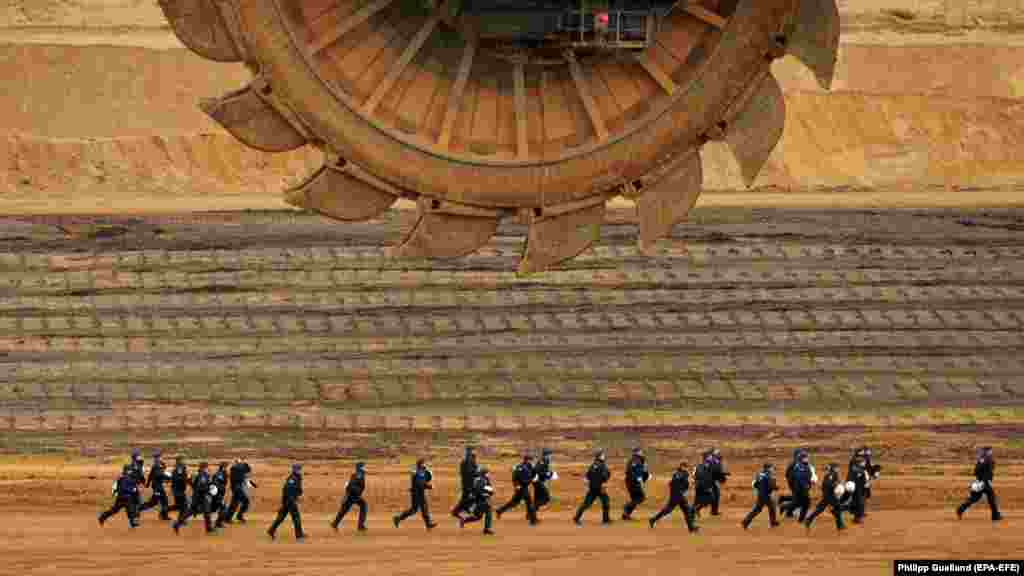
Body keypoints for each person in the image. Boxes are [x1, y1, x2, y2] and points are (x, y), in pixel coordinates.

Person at [648, 461, 698, 533]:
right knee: (669, 510)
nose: (687, 468)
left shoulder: (678, 473)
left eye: (687, 467)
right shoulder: (682, 474)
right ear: (682, 467)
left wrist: (683, 488)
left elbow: (671, 483)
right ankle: (653, 519)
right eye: (686, 467)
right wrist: (682, 489)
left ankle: (691, 528)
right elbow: (676, 483)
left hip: (677, 495)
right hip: (678, 496)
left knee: (685, 511)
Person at [957, 447, 1002, 521]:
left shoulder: (980, 460)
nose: (991, 452)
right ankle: (995, 515)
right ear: (987, 452)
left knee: (974, 498)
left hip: (978, 481)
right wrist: (987, 481)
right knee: (991, 498)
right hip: (985, 482)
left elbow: (975, 471)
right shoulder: (989, 460)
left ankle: (961, 508)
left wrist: (979, 479)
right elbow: (990, 472)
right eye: (990, 451)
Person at [394, 459, 438, 530]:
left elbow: (426, 480)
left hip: (420, 492)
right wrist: (428, 486)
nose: (424, 466)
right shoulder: (415, 473)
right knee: (415, 509)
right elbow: (419, 483)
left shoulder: (425, 472)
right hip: (416, 493)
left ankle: (428, 524)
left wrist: (427, 484)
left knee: (422, 508)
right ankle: (398, 518)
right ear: (419, 465)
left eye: (424, 464)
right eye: (422, 464)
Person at [173, 461, 215, 534]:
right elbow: (201, 486)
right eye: (207, 467)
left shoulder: (197, 474)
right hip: (202, 496)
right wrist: (209, 489)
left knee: (191, 512)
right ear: (205, 467)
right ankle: (209, 529)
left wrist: (195, 488)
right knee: (207, 512)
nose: (208, 468)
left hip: (196, 496)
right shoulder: (203, 475)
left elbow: (190, 482)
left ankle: (177, 524)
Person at [496, 454, 537, 525]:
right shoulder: (520, 467)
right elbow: (515, 477)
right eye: (531, 460)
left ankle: (500, 510)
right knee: (528, 501)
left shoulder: (529, 466)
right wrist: (516, 485)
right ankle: (531, 517)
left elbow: (533, 472)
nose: (532, 462)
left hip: (524, 486)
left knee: (515, 502)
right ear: (527, 460)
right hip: (521, 487)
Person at [268, 463, 305, 541]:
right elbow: (288, 490)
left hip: (288, 501)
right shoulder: (292, 479)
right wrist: (292, 501)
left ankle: (271, 530)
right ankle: (299, 536)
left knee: (281, 517)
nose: (300, 470)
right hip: (290, 501)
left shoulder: (297, 477)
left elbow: (297, 489)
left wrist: (298, 494)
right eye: (299, 469)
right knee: (296, 518)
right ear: (295, 470)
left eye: (300, 469)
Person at [574, 451, 612, 525]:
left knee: (587, 503)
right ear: (599, 456)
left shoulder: (593, 464)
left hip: (593, 487)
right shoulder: (602, 465)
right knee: (606, 502)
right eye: (603, 455)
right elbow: (604, 476)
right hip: (599, 487)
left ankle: (577, 517)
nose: (604, 456)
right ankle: (605, 520)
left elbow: (588, 475)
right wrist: (605, 481)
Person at [804, 463, 845, 532]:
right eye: (837, 467)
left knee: (821, 509)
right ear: (833, 468)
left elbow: (826, 485)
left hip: (829, 495)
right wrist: (836, 484)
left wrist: (838, 484)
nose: (838, 469)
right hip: (829, 496)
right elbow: (828, 484)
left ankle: (808, 520)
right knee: (836, 509)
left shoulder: (833, 474)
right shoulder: (831, 475)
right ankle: (840, 525)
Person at [741, 463, 780, 530]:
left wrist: (760, 488)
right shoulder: (768, 475)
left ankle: (745, 521)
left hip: (761, 494)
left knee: (758, 509)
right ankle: (772, 522)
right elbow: (771, 485)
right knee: (771, 507)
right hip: (765, 495)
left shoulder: (760, 474)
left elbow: (754, 484)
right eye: (771, 468)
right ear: (767, 468)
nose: (773, 469)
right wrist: (776, 487)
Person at [331, 462, 368, 532]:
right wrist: (355, 492)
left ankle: (335, 523)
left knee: (345, 509)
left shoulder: (358, 474)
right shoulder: (359, 475)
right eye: (363, 466)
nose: (365, 468)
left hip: (353, 495)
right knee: (346, 509)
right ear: (360, 468)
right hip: (352, 495)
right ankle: (360, 526)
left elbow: (352, 484)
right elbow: (352, 485)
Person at [780, 451, 815, 522]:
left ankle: (786, 508)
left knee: (799, 503)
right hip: (800, 488)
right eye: (806, 458)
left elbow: (807, 475)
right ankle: (799, 518)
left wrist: (810, 482)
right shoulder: (799, 467)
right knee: (804, 503)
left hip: (801, 487)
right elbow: (799, 478)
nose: (807, 459)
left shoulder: (804, 465)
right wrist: (805, 485)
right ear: (802, 458)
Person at [460, 467, 496, 535]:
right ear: (484, 473)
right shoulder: (482, 480)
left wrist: (489, 492)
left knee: (478, 517)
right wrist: (486, 494)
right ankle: (487, 529)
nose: (488, 474)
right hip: (481, 500)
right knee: (488, 511)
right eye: (487, 473)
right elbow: (478, 490)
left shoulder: (481, 479)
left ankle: (464, 519)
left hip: (479, 500)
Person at [139, 449, 170, 520]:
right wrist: (168, 477)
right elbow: (159, 474)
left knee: (161, 501)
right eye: (160, 456)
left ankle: (164, 515)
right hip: (157, 487)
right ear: (157, 457)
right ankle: (137, 509)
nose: (161, 457)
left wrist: (147, 484)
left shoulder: (158, 465)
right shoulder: (157, 465)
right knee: (155, 502)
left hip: (158, 486)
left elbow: (150, 475)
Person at [622, 448, 651, 520]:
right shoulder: (634, 460)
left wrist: (647, 475)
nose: (642, 453)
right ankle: (626, 507)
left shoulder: (641, 460)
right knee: (641, 497)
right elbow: (630, 471)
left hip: (635, 482)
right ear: (636, 452)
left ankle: (626, 514)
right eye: (640, 452)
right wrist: (637, 478)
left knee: (635, 499)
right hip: (632, 482)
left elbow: (642, 471)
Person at [223, 457, 255, 524]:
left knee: (234, 503)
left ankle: (229, 518)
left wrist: (252, 484)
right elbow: (248, 470)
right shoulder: (238, 468)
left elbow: (245, 476)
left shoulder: (235, 468)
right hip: (237, 488)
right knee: (245, 502)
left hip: (236, 488)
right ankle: (237, 516)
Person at [451, 447, 478, 520]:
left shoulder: (470, 461)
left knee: (469, 497)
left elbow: (474, 470)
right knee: (467, 498)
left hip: (470, 482)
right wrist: (476, 473)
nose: (471, 453)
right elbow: (468, 473)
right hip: (467, 483)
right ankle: (456, 511)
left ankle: (464, 508)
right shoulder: (465, 462)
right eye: (469, 452)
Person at [532, 449, 557, 518]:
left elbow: (544, 470)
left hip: (538, 481)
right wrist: (548, 475)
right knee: (546, 498)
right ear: (546, 455)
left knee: (537, 498)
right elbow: (538, 471)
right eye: (550, 454)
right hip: (537, 481)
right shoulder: (543, 461)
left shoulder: (545, 460)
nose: (551, 456)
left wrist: (549, 473)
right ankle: (533, 508)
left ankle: (531, 515)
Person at [846, 454, 869, 524]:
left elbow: (849, 478)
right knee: (859, 503)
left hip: (857, 489)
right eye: (863, 462)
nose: (865, 463)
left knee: (857, 503)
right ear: (860, 463)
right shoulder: (858, 470)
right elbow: (862, 480)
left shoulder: (856, 469)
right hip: (858, 489)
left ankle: (857, 517)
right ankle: (857, 518)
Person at [709, 448, 729, 515]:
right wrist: (724, 474)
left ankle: (714, 511)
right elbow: (715, 471)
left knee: (716, 496)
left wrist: (724, 474)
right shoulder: (712, 461)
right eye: (718, 454)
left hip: (713, 480)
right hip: (711, 480)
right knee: (714, 496)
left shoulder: (716, 461)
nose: (719, 455)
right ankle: (713, 511)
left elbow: (718, 471)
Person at [211, 462, 229, 529]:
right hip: (217, 495)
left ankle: (217, 523)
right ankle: (217, 523)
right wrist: (220, 491)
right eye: (226, 467)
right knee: (224, 509)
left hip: (217, 494)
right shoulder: (220, 474)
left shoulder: (220, 473)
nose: (227, 468)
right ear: (223, 467)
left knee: (220, 509)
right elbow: (216, 483)